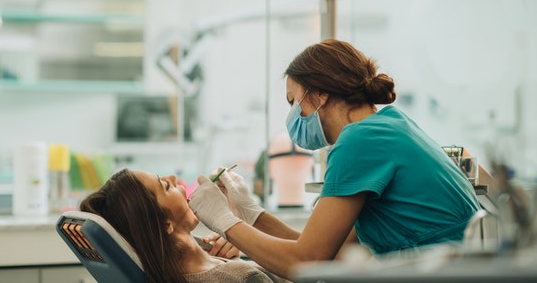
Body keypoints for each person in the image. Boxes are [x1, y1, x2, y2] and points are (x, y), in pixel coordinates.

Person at [189, 39, 480, 279]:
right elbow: (331, 253)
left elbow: (305, 261)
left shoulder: (360, 140)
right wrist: (251, 214)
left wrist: (224, 221)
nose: (292, 116)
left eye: (293, 102)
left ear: (320, 93)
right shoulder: (389, 125)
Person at [79, 168, 291, 283]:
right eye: (166, 186)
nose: (173, 177)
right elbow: (308, 265)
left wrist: (241, 238)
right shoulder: (239, 278)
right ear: (165, 223)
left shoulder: (208, 262)